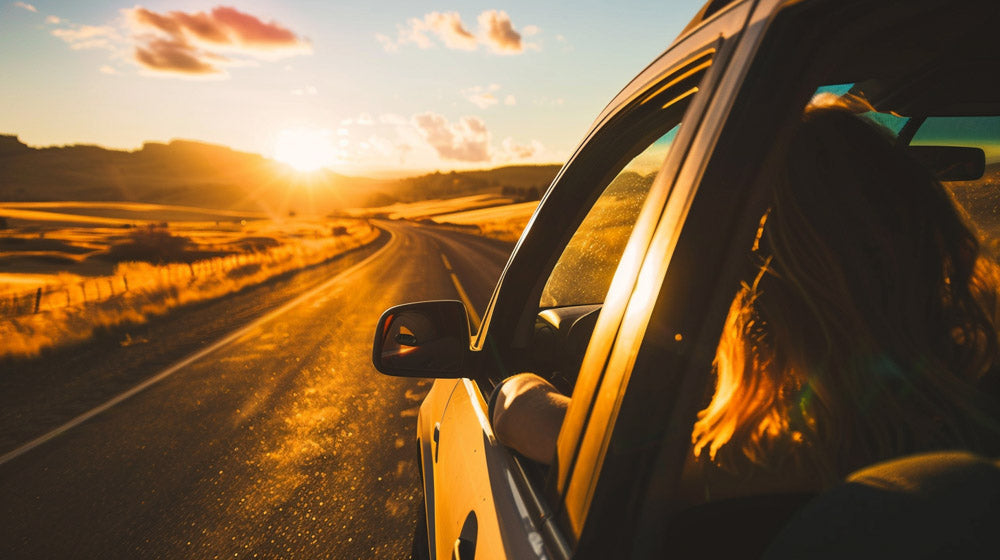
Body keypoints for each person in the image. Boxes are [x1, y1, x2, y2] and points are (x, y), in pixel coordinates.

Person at [491, 101, 1000, 495]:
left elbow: (544, 427)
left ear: (762, 285)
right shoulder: (975, 404)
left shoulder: (761, 459)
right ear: (931, 236)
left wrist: (513, 380)